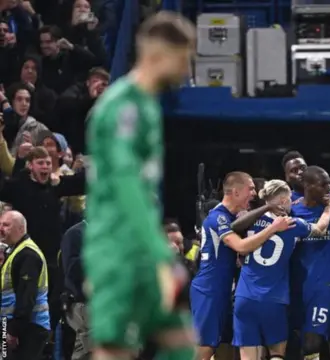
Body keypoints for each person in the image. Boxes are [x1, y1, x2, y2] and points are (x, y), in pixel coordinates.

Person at [83, 11, 198, 360]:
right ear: (157, 54)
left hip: (144, 248)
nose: (186, 70)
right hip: (118, 248)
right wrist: (160, 253)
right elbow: (125, 182)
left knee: (180, 343)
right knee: (116, 350)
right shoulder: (123, 107)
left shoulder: (147, 107)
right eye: (183, 59)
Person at [190, 172, 292, 360]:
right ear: (236, 192)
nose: (254, 193)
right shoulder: (218, 218)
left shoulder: (233, 218)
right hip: (209, 290)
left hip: (225, 290)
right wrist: (273, 228)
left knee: (225, 345)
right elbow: (241, 246)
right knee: (205, 349)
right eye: (251, 188)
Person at [230, 179, 330, 360]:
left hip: (245, 296)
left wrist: (266, 207)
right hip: (274, 298)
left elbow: (234, 227)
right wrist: (328, 208)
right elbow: (319, 229)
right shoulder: (293, 224)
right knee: (277, 354)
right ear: (284, 201)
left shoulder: (251, 219)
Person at [289, 166, 330, 360]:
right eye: (323, 184)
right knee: (299, 346)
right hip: (296, 287)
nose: (328, 188)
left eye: (329, 183)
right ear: (307, 185)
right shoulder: (291, 211)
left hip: (325, 287)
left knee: (312, 344)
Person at [0, 210, 50, 359]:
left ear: (21, 228)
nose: (1, 228)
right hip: (14, 325)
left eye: (6, 225)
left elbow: (26, 296)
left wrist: (14, 331)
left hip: (29, 327)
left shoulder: (27, 254)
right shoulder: (14, 251)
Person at [60, 219, 90, 360]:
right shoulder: (75, 234)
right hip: (83, 304)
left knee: (83, 353)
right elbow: (72, 270)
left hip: (103, 302)